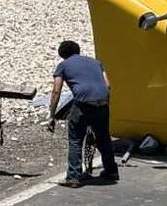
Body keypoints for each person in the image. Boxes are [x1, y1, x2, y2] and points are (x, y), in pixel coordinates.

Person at [46, 40, 119, 187]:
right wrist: (106, 105)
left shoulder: (63, 65)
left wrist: (52, 115)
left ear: (62, 54)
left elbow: (56, 91)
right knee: (104, 138)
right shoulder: (96, 63)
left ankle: (73, 177)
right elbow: (108, 85)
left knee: (75, 140)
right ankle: (111, 171)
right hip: (102, 104)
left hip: (83, 106)